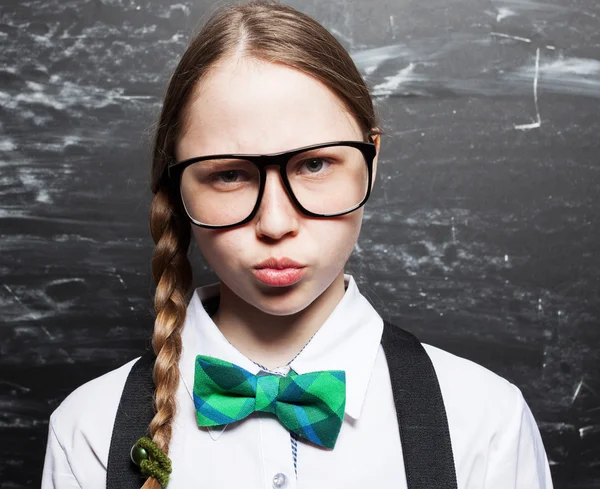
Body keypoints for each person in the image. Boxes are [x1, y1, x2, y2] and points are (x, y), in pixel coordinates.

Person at [41, 1, 554, 488]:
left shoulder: (486, 423)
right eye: (230, 174)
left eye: (314, 165)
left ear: (371, 160)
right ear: (176, 186)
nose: (275, 222)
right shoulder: (89, 431)